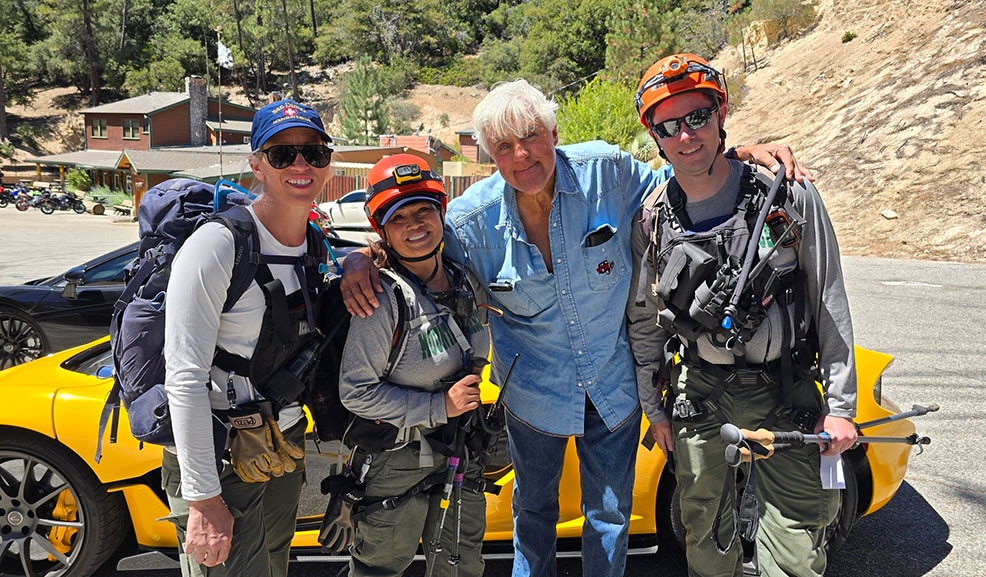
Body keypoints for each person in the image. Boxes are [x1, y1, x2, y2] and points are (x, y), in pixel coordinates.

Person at [340, 79, 808, 577]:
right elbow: (413, 246)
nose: (521, 155)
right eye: (503, 146)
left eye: (530, 136)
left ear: (554, 131)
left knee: (609, 518)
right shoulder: (469, 223)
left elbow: (685, 179)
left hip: (614, 390)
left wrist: (734, 157)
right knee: (533, 516)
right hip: (532, 398)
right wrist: (360, 259)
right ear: (489, 156)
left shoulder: (607, 172)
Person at [628, 53, 858, 577]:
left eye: (698, 118)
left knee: (799, 552)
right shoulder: (652, 218)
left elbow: (829, 299)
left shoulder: (790, 193)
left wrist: (842, 406)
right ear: (654, 137)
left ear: (721, 112)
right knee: (704, 542)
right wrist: (654, 409)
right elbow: (643, 322)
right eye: (668, 126)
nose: (686, 137)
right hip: (699, 392)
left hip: (786, 390)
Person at [162, 98, 334, 576]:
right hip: (219, 455)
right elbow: (184, 376)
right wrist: (202, 498)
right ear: (256, 164)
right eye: (282, 154)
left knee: (274, 567)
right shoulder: (217, 246)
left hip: (282, 442)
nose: (300, 165)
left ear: (328, 164)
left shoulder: (314, 246)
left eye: (313, 153)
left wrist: (364, 259)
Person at [325, 153, 493, 577]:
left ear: (441, 214)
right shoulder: (380, 299)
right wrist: (441, 407)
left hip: (459, 450)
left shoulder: (465, 280)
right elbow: (356, 392)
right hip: (396, 460)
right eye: (398, 218)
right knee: (378, 569)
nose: (415, 225)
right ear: (382, 230)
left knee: (459, 567)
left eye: (424, 211)